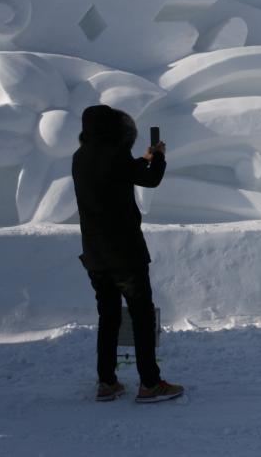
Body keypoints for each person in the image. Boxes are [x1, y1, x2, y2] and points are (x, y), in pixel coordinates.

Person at [72, 105, 184, 403]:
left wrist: (141, 159)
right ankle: (150, 383)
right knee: (141, 316)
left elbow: (115, 173)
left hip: (94, 254)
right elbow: (150, 180)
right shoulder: (116, 155)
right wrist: (158, 156)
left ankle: (107, 382)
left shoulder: (80, 157)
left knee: (108, 316)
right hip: (125, 252)